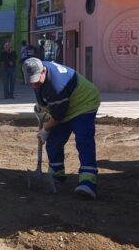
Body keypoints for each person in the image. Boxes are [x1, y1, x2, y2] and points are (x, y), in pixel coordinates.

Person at [22, 57, 101, 199]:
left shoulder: (56, 83)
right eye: (30, 82)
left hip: (83, 104)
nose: (33, 84)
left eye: (36, 80)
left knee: (84, 141)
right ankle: (57, 174)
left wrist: (45, 129)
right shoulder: (37, 73)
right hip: (64, 105)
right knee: (54, 141)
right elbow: (45, 96)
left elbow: (58, 114)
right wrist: (42, 107)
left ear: (44, 71)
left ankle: (88, 182)